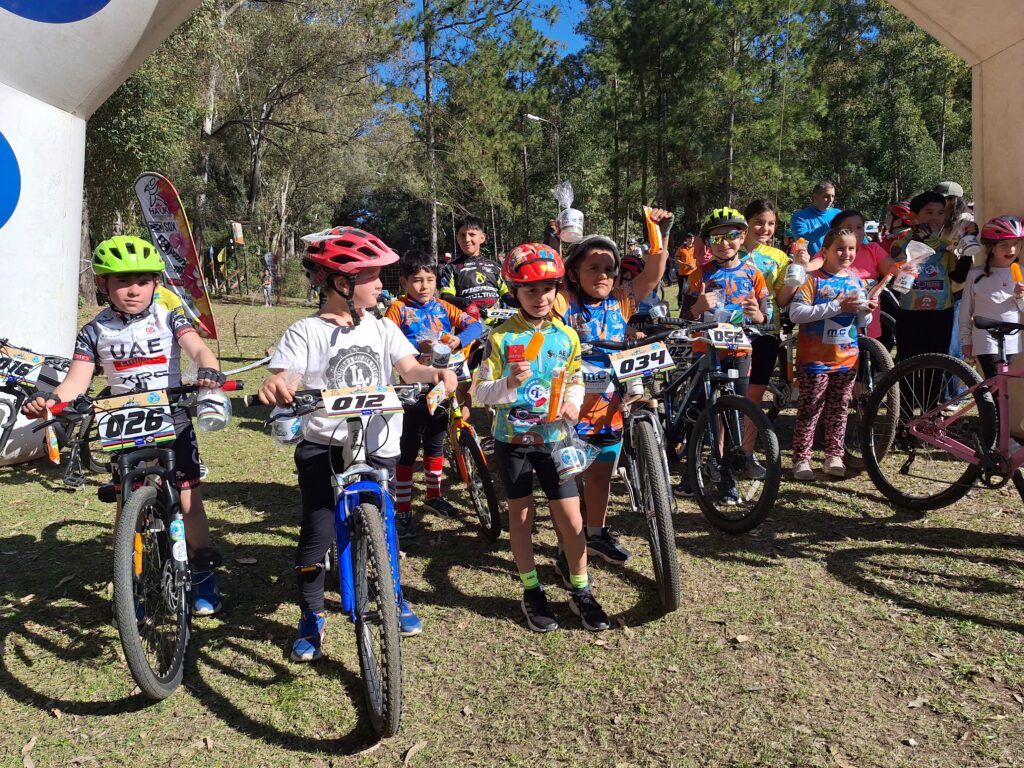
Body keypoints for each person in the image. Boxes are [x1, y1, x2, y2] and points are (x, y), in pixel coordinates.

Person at [258, 227, 457, 662]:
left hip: (379, 441)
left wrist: (434, 374)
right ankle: (311, 614)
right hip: (323, 444)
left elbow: (408, 368)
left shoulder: (383, 327)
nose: (381, 285)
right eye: (372, 277)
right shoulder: (304, 331)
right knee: (317, 531)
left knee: (383, 526)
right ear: (342, 283)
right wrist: (278, 384)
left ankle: (393, 592)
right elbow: (286, 374)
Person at [24, 235, 228, 616]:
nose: (132, 290)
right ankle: (128, 575)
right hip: (122, 420)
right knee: (125, 497)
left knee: (188, 500)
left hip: (171, 413)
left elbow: (197, 347)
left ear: (155, 283)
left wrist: (208, 367)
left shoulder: (169, 316)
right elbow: (75, 382)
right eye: (121, 282)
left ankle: (203, 575)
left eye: (141, 281)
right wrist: (52, 404)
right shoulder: (94, 330)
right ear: (103, 285)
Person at [474, 243, 610, 633]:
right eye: (530, 290)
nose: (540, 298)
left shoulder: (567, 336)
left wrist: (572, 402)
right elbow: (480, 392)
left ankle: (581, 590)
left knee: (571, 518)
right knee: (521, 517)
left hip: (555, 441)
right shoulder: (499, 338)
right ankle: (532, 589)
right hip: (513, 442)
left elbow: (576, 379)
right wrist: (506, 384)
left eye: (548, 289)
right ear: (514, 291)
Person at [557, 210, 672, 578]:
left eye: (609, 268)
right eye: (593, 268)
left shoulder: (622, 300)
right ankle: (567, 543)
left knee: (602, 474)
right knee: (570, 478)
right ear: (574, 273)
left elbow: (653, 273)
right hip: (569, 407)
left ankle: (595, 533)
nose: (603, 275)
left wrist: (660, 232)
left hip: (610, 406)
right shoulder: (563, 301)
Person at [385, 250, 485, 536]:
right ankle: (402, 509)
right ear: (404, 282)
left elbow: (476, 325)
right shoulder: (397, 309)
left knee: (435, 442)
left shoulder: (443, 306)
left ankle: (433, 495)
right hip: (409, 388)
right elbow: (386, 340)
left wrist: (459, 339)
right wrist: (417, 350)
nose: (424, 286)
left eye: (429, 280)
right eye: (417, 280)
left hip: (441, 386)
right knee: (406, 449)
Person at [678, 208, 769, 500]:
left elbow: (766, 317)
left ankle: (727, 473)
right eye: (715, 238)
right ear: (706, 243)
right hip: (706, 351)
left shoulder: (753, 273)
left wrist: (758, 316)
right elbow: (684, 317)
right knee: (701, 413)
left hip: (739, 351)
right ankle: (694, 472)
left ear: (742, 237)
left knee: (735, 412)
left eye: (731, 235)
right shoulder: (698, 275)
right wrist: (698, 306)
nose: (724, 243)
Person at [788, 227, 876, 480]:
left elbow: (861, 320)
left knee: (839, 408)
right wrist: (838, 305)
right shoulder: (812, 279)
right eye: (840, 248)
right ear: (824, 252)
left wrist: (868, 309)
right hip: (815, 360)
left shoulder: (855, 280)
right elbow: (796, 314)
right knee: (810, 409)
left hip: (847, 359)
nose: (846, 253)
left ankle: (833, 455)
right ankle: (801, 459)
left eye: (851, 249)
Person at [881, 191, 974, 362]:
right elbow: (898, 277)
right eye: (929, 212)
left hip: (941, 314)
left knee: (937, 366)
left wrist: (969, 249)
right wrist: (919, 242)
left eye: (940, 213)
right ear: (913, 216)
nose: (936, 218)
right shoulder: (901, 244)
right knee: (909, 366)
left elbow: (958, 278)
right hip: (910, 314)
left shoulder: (947, 246)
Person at [439, 214, 509, 420]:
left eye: (472, 234)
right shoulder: (451, 268)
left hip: (496, 332)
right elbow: (445, 296)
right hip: (468, 333)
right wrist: (467, 304)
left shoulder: (496, 267)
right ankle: (463, 433)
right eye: (462, 235)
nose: (467, 239)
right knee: (465, 386)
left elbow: (507, 295)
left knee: (498, 380)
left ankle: (495, 424)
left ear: (483, 238)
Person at [739, 200, 788, 426]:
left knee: (755, 396)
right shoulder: (728, 249)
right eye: (759, 222)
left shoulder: (779, 257)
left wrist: (797, 267)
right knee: (730, 391)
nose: (765, 229)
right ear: (746, 222)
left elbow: (782, 298)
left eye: (771, 224)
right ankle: (721, 446)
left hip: (767, 330)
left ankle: (745, 451)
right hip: (731, 331)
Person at [960, 215, 1024, 379]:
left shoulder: (1022, 272)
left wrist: (1019, 296)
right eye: (1004, 245)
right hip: (985, 337)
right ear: (991, 248)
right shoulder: (976, 274)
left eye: (1015, 244)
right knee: (995, 379)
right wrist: (966, 341)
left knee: (1001, 384)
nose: (1011, 250)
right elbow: (966, 310)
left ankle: (990, 404)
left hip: (1011, 337)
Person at [830, 209, 893, 341]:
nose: (856, 232)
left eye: (859, 227)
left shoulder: (873, 249)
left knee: (870, 358)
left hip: (869, 325)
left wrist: (879, 289)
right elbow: (813, 269)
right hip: (835, 327)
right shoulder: (827, 252)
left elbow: (892, 271)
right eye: (848, 228)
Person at [790, 181, 840, 255]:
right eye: (826, 196)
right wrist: (831, 224)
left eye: (833, 196)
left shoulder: (838, 213)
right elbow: (802, 240)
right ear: (815, 197)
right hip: (811, 265)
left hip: (837, 264)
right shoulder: (799, 217)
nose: (831, 200)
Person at [674, 233, 696, 309]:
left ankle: (691, 304)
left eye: (692, 239)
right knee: (682, 289)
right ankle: (680, 304)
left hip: (693, 272)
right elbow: (677, 260)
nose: (691, 241)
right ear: (686, 239)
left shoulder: (695, 248)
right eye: (689, 239)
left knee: (693, 289)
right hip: (683, 272)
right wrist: (686, 264)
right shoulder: (681, 248)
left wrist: (695, 265)